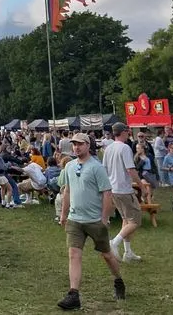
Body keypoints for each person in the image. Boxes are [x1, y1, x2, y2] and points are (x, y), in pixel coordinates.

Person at [57, 133, 126, 311]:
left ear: (88, 145)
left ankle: (118, 280)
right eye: (74, 144)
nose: (76, 147)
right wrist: (63, 215)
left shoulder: (97, 167)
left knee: (107, 255)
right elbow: (67, 191)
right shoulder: (70, 166)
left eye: (80, 144)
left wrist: (104, 218)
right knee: (74, 254)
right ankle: (73, 294)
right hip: (74, 220)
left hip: (94, 220)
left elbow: (107, 193)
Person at [102, 123, 142, 262]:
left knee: (126, 219)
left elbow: (105, 169)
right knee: (135, 221)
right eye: (127, 131)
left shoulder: (108, 148)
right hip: (124, 189)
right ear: (123, 132)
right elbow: (130, 169)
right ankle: (114, 242)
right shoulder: (124, 148)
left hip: (113, 189)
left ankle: (128, 252)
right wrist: (141, 184)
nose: (129, 133)